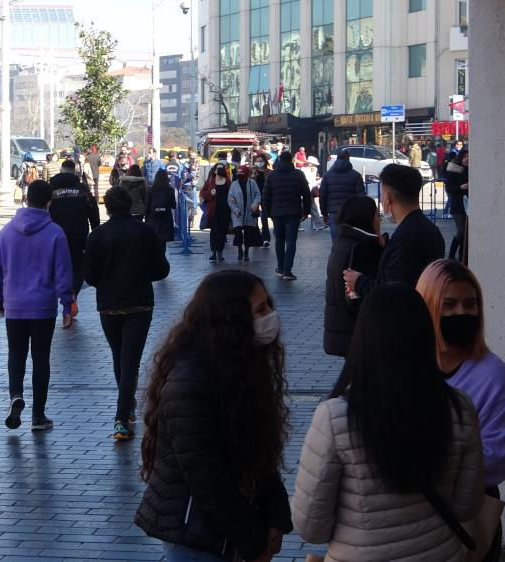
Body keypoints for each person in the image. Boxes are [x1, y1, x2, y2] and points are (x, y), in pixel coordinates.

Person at [293, 284, 484, 561]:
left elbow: (310, 527)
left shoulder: (336, 418)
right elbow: (467, 506)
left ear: (363, 339)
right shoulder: (459, 408)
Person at [136, 270, 292, 562]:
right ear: (232, 320)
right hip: (195, 538)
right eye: (260, 309)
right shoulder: (191, 380)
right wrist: (253, 541)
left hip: (225, 531)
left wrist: (275, 514)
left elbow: (256, 454)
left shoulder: (237, 367)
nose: (271, 315)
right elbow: (205, 477)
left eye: (268, 305)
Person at [418, 260, 505, 562]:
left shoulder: (492, 374)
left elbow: (496, 457)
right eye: (450, 304)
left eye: (470, 305)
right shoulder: (405, 368)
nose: (462, 313)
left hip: (471, 518)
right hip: (409, 522)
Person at [0, 180, 74, 431]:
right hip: (43, 307)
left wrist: (1, 298)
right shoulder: (55, 232)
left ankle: (15, 395)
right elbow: (63, 273)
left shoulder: (6, 232)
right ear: (49, 203)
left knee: (16, 353)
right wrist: (67, 304)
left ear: (26, 199)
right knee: (41, 358)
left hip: (14, 306)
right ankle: (38, 415)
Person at [83, 186, 169, 441]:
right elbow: (161, 270)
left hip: (109, 304)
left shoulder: (97, 235)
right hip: (139, 304)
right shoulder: (145, 232)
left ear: (107, 207)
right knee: (130, 359)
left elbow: (90, 276)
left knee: (119, 356)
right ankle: (122, 416)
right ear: (130, 205)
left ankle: (126, 408)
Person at [343, 164, 446, 299]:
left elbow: (393, 290)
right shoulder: (431, 230)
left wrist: (359, 282)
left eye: (382, 194)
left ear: (388, 198)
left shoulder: (406, 237)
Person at [323, 196, 384, 357]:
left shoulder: (343, 241)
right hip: (356, 331)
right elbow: (354, 295)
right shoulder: (361, 248)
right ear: (366, 219)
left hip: (343, 329)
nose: (379, 220)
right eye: (377, 215)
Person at [48, 158, 100, 305]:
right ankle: (73, 293)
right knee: (77, 266)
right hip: (79, 233)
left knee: (58, 264)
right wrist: (95, 229)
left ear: (61, 170)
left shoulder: (51, 188)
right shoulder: (82, 189)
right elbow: (93, 209)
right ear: (74, 171)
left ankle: (63, 291)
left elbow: (45, 209)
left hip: (56, 234)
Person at [262, 151, 311, 280]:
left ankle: (280, 267)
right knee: (291, 242)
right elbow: (306, 194)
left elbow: (266, 195)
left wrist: (267, 212)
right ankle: (287, 271)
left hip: (277, 213)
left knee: (279, 241)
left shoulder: (272, 175)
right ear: (291, 161)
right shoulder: (298, 175)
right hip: (293, 213)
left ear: (279, 160)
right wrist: (306, 211)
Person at [319, 149, 366, 240]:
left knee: (336, 240)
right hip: (351, 212)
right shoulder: (356, 175)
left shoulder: (328, 175)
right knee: (351, 239)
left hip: (334, 212)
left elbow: (322, 195)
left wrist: (324, 213)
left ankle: (338, 253)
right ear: (348, 159)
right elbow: (361, 196)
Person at [199, 162, 233, 262]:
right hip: (213, 210)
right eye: (218, 168)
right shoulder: (210, 181)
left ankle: (220, 252)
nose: (219, 170)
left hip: (225, 210)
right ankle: (213, 252)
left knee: (222, 232)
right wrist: (210, 193)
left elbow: (232, 194)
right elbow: (202, 193)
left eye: (221, 168)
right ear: (214, 170)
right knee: (214, 231)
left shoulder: (228, 181)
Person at [228, 164, 262, 262]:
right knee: (238, 232)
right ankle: (239, 249)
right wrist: (236, 210)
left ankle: (246, 251)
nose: (240, 176)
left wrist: (255, 204)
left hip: (250, 212)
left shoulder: (252, 183)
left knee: (248, 232)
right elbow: (230, 199)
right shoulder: (234, 184)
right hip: (237, 213)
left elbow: (257, 195)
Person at [444, 150, 469, 261]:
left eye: (468, 157)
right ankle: (451, 254)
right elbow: (449, 188)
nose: (467, 159)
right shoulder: (454, 170)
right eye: (464, 157)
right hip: (458, 204)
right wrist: (460, 187)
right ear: (460, 158)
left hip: (469, 204)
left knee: (467, 233)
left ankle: (462, 256)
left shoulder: (474, 170)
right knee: (461, 231)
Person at [145, 169, 177, 244]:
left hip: (153, 219)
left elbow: (147, 207)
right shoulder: (170, 190)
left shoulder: (151, 190)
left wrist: (147, 218)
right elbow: (173, 205)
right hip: (166, 219)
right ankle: (162, 255)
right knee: (163, 243)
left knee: (154, 242)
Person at [251, 153, 273, 247]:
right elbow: (250, 183)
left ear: (265, 162)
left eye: (261, 161)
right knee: (254, 218)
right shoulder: (253, 171)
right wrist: (253, 176)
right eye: (258, 161)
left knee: (264, 219)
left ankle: (266, 239)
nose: (259, 163)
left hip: (265, 196)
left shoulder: (269, 172)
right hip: (255, 196)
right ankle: (256, 239)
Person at [300, 156, 326, 231]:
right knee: (307, 208)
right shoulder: (305, 170)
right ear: (310, 164)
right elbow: (309, 181)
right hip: (307, 190)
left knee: (310, 207)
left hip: (307, 190)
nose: (315, 165)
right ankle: (318, 224)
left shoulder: (307, 170)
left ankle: (319, 224)